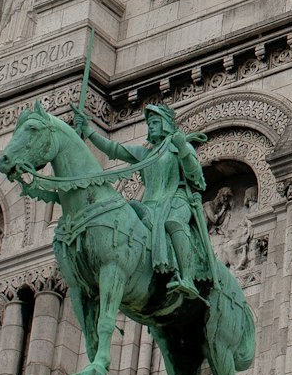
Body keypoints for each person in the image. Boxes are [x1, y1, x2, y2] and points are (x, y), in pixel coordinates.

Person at [72, 103, 215, 299]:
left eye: (155, 122)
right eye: (149, 123)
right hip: (150, 204)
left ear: (165, 124)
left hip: (177, 198)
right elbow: (114, 149)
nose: (151, 127)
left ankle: (188, 278)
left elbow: (196, 177)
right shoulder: (145, 154)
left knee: (173, 222)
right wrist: (88, 131)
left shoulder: (180, 146)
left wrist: (182, 147)